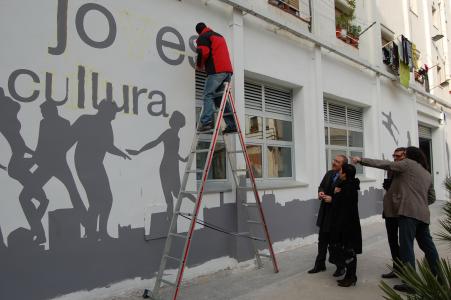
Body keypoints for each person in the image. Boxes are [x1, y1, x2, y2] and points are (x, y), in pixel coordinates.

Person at [353, 147, 439, 293]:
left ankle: (411, 283)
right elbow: (432, 198)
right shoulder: (426, 173)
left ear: (408, 156)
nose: (398, 157)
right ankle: (439, 277)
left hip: (408, 213)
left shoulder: (407, 164)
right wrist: (419, 203)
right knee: (428, 247)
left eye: (402, 155)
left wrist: (361, 160)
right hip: (423, 214)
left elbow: (385, 164)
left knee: (406, 247)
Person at [18, 101, 88, 242]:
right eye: (42, 112)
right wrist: (33, 161)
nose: (43, 114)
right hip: (46, 165)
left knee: (74, 194)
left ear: (52, 110)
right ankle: (40, 234)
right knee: (24, 197)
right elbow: (40, 146)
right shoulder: (44, 123)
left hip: (58, 164)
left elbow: (66, 145)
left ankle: (89, 227)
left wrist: (43, 157)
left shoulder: (64, 123)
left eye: (44, 112)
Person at [69, 99, 131, 241]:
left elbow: (108, 146)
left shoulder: (107, 125)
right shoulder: (86, 120)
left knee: (102, 200)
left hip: (96, 165)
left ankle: (96, 232)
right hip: (85, 166)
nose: (114, 116)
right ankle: (94, 232)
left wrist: (121, 153)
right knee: (102, 200)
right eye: (113, 113)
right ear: (105, 110)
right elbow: (70, 137)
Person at [126, 111, 195, 222]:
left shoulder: (177, 136)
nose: (179, 126)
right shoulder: (168, 133)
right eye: (178, 123)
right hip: (166, 167)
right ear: (176, 123)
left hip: (174, 166)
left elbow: (173, 152)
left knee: (177, 194)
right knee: (169, 198)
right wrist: (139, 151)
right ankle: (171, 221)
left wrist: (183, 159)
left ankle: (193, 203)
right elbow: (154, 142)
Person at [0, 87, 49, 244]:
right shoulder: (4, 118)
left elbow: (21, 145)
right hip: (17, 164)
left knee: (39, 199)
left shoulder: (9, 113)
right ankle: (37, 232)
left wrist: (34, 154)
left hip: (21, 161)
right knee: (38, 199)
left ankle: (38, 233)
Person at [308, 154, 347, 277]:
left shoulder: (347, 178)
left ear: (343, 165)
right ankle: (320, 264)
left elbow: (348, 199)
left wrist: (333, 199)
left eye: (337, 161)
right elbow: (322, 185)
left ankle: (340, 266)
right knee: (322, 240)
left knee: (335, 243)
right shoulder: (330, 173)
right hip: (325, 212)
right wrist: (321, 192)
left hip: (336, 215)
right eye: (334, 160)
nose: (334, 162)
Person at [195, 22, 236, 134]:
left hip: (217, 71)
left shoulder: (203, 37)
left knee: (208, 94)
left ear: (198, 32)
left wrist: (199, 65)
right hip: (227, 72)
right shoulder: (219, 36)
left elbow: (203, 52)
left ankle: (206, 122)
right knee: (219, 99)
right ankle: (232, 125)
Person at [329, 163, 362, 287]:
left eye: (341, 171)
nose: (338, 173)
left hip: (347, 226)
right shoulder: (347, 185)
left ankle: (351, 277)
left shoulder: (348, 188)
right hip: (346, 224)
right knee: (347, 251)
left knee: (349, 251)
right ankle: (350, 275)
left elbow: (343, 207)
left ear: (345, 174)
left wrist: (337, 194)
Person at [381, 147, 405, 279]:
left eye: (398, 156)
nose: (395, 158)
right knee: (392, 240)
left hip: (403, 211)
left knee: (405, 242)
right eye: (394, 156)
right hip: (390, 210)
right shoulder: (391, 170)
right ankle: (397, 268)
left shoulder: (408, 170)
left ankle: (407, 270)